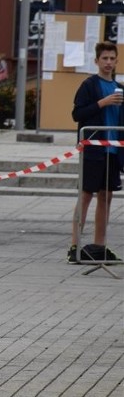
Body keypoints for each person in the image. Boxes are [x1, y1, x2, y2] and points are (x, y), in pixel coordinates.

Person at [68, 41, 123, 264]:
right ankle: (75, 244)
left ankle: (99, 245)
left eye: (112, 59)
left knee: (107, 196)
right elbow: (77, 113)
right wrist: (102, 102)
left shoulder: (119, 87)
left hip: (113, 149)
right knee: (86, 194)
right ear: (97, 61)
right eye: (105, 59)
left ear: (116, 60)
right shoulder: (89, 85)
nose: (108, 63)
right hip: (94, 149)